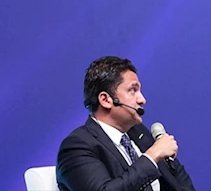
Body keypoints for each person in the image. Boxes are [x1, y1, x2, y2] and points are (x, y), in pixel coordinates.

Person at [56, 56, 197, 191]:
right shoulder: (77, 146)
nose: (142, 100)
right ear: (106, 100)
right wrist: (152, 156)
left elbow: (180, 184)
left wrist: (165, 158)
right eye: (132, 90)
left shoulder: (139, 133)